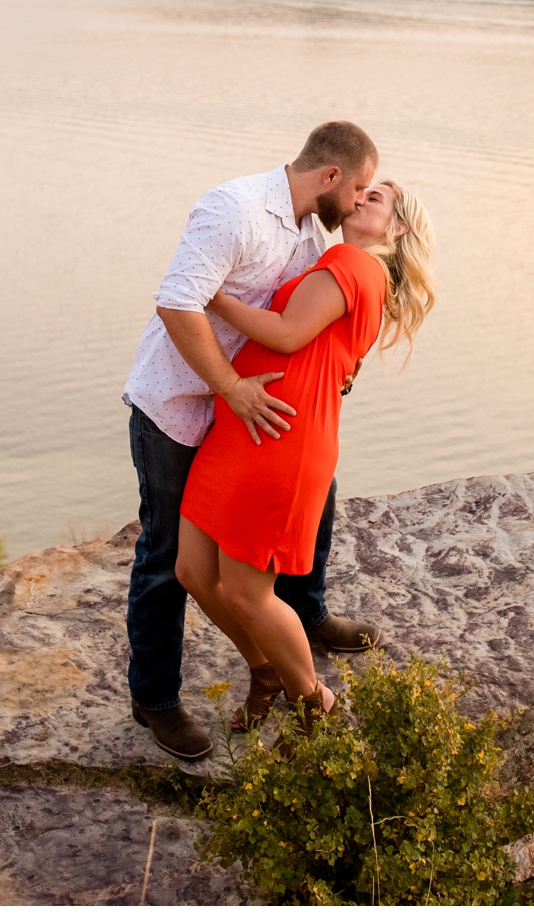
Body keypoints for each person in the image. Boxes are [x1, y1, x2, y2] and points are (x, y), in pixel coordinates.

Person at [121, 121, 386, 761]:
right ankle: (155, 699)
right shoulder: (233, 208)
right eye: (357, 189)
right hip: (183, 404)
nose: (355, 202)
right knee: (167, 559)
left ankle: (306, 619)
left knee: (310, 502)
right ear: (330, 178)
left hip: (239, 415)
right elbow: (178, 304)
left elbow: (305, 327)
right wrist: (235, 388)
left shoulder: (308, 237)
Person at [177, 178, 435, 729]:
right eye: (362, 190)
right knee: (194, 570)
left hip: (281, 444)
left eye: (377, 198)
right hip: (243, 434)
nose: (361, 197)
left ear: (399, 227)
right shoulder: (346, 264)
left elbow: (289, 334)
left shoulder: (357, 264)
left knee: (249, 591)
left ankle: (313, 702)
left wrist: (212, 293)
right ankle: (265, 669)